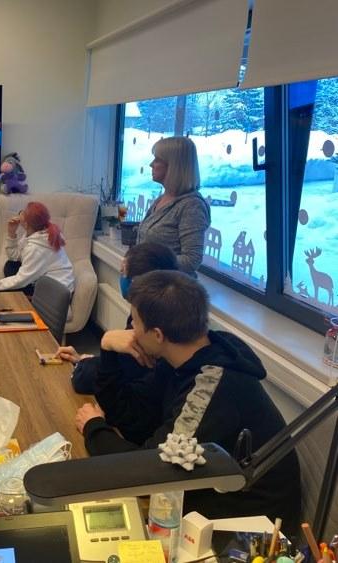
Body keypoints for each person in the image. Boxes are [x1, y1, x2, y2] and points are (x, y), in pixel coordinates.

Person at [74, 270, 301, 534]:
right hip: (207, 495)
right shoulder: (182, 359)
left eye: (134, 321)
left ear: (157, 335)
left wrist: (94, 428)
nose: (131, 329)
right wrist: (108, 349)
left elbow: (148, 471)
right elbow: (133, 415)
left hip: (248, 529)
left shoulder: (211, 388)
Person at [56, 242, 179, 405]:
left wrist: (84, 364)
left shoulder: (147, 331)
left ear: (136, 282)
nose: (120, 277)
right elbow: (120, 365)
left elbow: (85, 380)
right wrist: (85, 360)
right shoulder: (168, 315)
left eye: (122, 272)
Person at [136, 136, 211, 274]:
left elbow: (192, 260)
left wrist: (147, 263)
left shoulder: (191, 206)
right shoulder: (162, 199)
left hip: (168, 286)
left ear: (174, 166)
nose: (151, 164)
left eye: (157, 160)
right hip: (148, 282)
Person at [0, 201, 75, 296]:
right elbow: (14, 256)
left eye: (23, 212)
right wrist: (11, 233)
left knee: (1, 292)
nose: (20, 212)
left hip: (56, 291)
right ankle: (23, 296)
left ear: (26, 224)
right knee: (10, 265)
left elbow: (20, 280)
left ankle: (27, 299)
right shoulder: (35, 234)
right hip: (44, 279)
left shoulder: (35, 249)